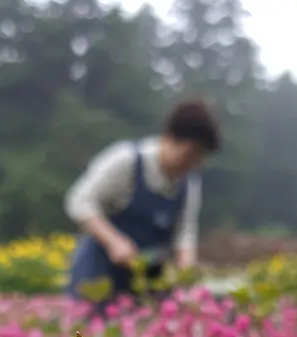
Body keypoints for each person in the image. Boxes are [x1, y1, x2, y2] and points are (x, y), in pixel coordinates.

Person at [64, 100, 220, 302]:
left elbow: (185, 231)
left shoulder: (189, 184)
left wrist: (185, 273)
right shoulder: (125, 160)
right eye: (189, 155)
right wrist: (114, 241)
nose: (191, 164)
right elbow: (79, 201)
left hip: (146, 279)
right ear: (169, 138)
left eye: (199, 158)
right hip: (99, 273)